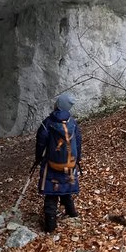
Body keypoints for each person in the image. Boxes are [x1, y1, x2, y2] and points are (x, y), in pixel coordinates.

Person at [34, 93, 82, 232]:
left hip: (53, 165)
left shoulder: (47, 123)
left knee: (52, 194)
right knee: (65, 188)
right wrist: (77, 159)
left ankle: (50, 226)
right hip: (70, 164)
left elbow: (40, 143)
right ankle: (72, 213)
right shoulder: (73, 122)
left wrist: (38, 158)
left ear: (58, 105)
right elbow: (78, 142)